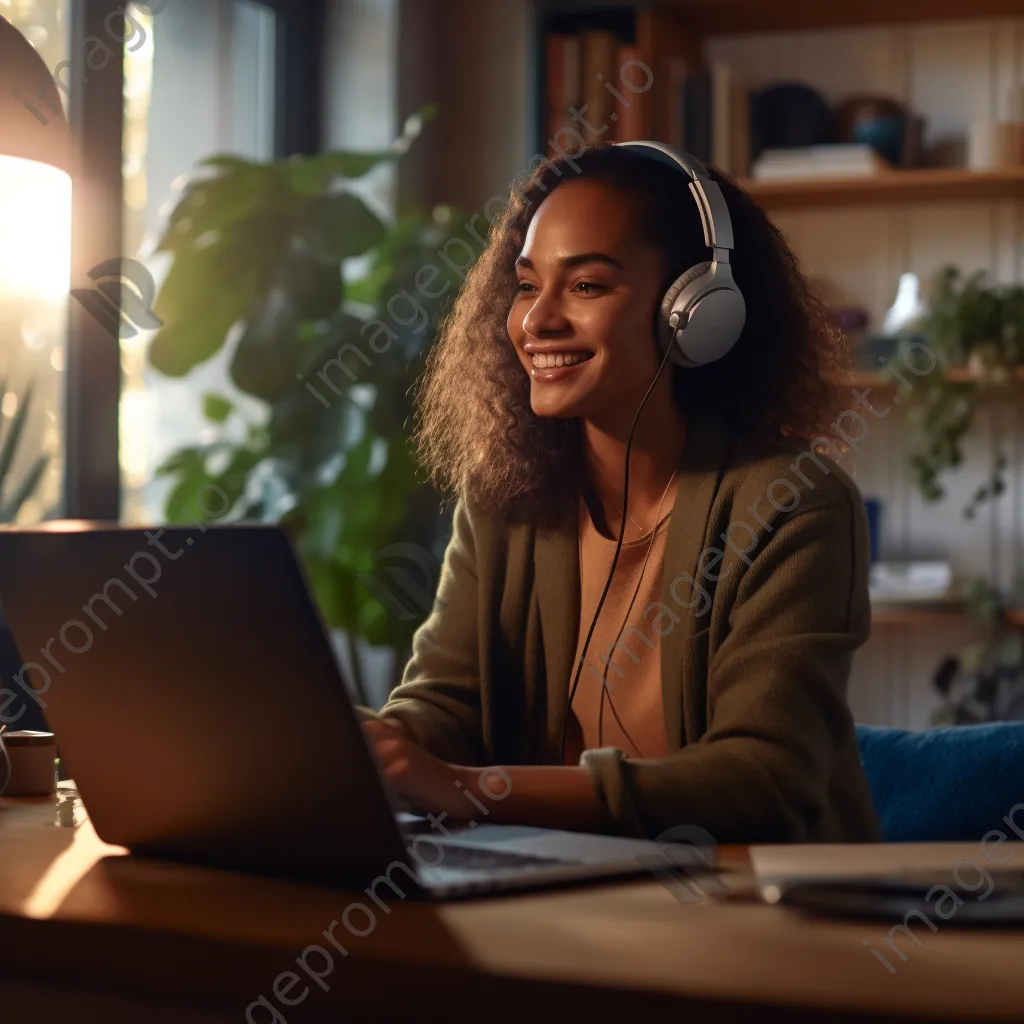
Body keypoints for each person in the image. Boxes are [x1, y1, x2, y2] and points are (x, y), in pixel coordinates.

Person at [360, 142, 882, 843]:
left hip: (765, 916)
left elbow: (765, 779)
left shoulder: (794, 504)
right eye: (525, 285)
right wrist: (368, 749)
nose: (536, 320)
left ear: (695, 310)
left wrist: (467, 788)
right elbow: (448, 705)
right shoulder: (506, 499)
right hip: (568, 901)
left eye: (586, 286)